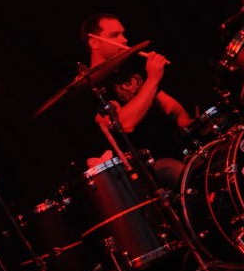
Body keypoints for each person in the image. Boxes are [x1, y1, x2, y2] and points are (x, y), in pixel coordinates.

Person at [80, 12, 192, 187]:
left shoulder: (131, 67)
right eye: (115, 35)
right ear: (94, 43)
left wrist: (190, 125)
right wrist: (153, 78)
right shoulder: (90, 88)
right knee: (183, 174)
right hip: (147, 168)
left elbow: (168, 105)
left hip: (175, 147)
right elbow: (125, 123)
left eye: (123, 33)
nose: (124, 39)